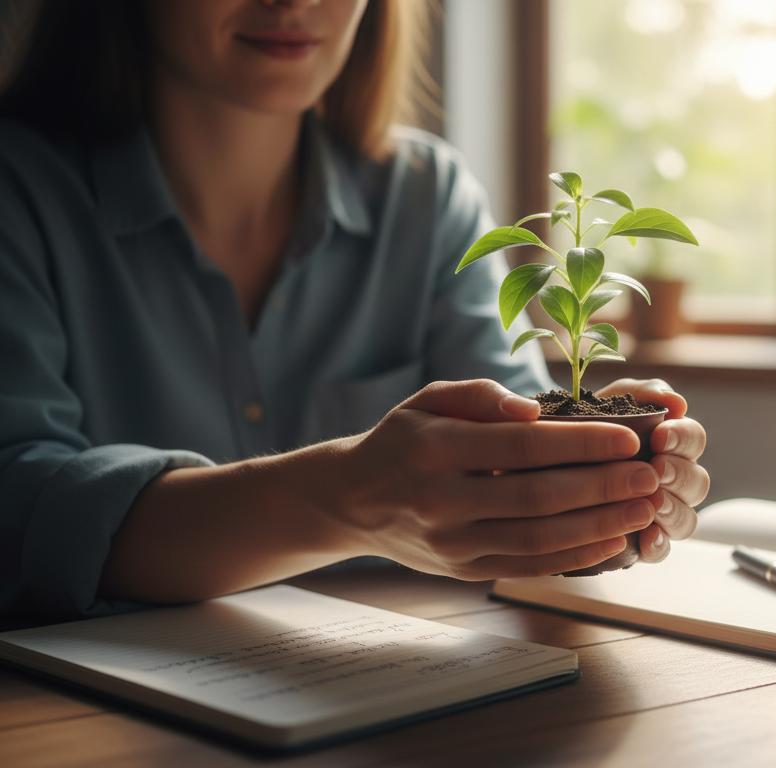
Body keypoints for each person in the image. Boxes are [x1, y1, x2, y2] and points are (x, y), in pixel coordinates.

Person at [0, 0, 709, 621]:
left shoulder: (426, 198)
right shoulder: (21, 194)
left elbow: (508, 446)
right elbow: (18, 506)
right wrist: (344, 497)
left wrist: (593, 492)